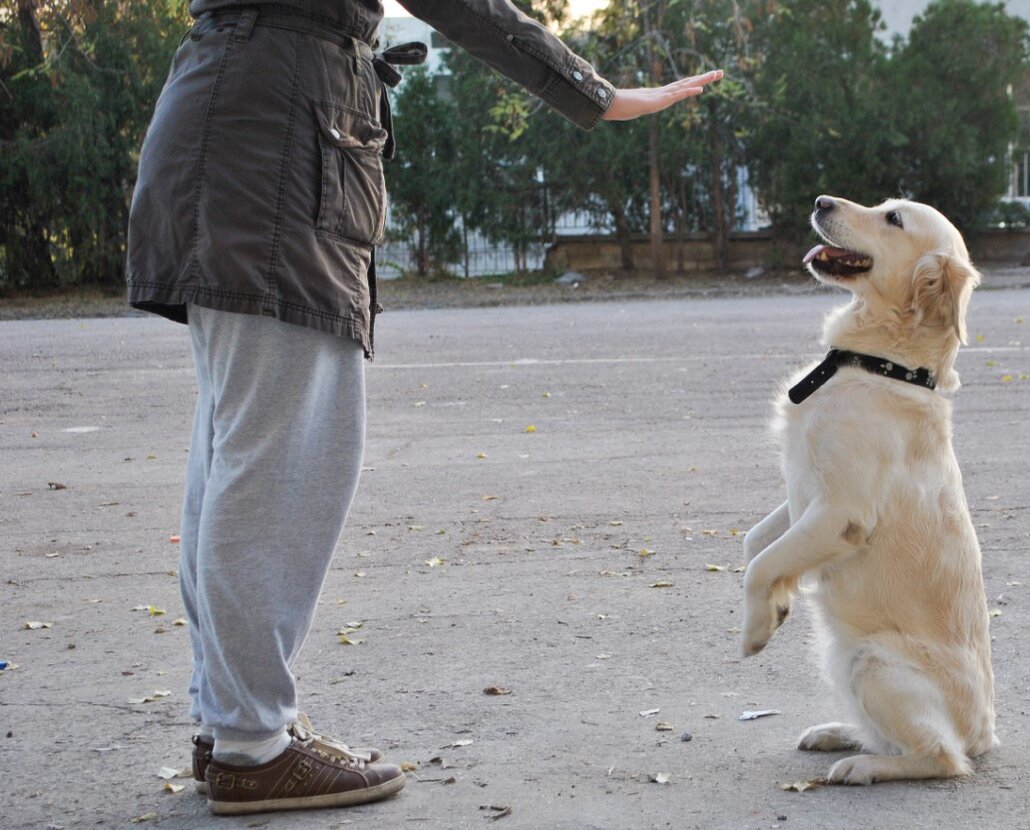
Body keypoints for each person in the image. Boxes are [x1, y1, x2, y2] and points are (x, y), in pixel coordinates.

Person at [125, 0, 721, 817]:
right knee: (280, 454)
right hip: (277, 150)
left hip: (229, 123)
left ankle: (230, 722)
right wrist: (598, 92)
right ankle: (251, 745)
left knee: (237, 442)